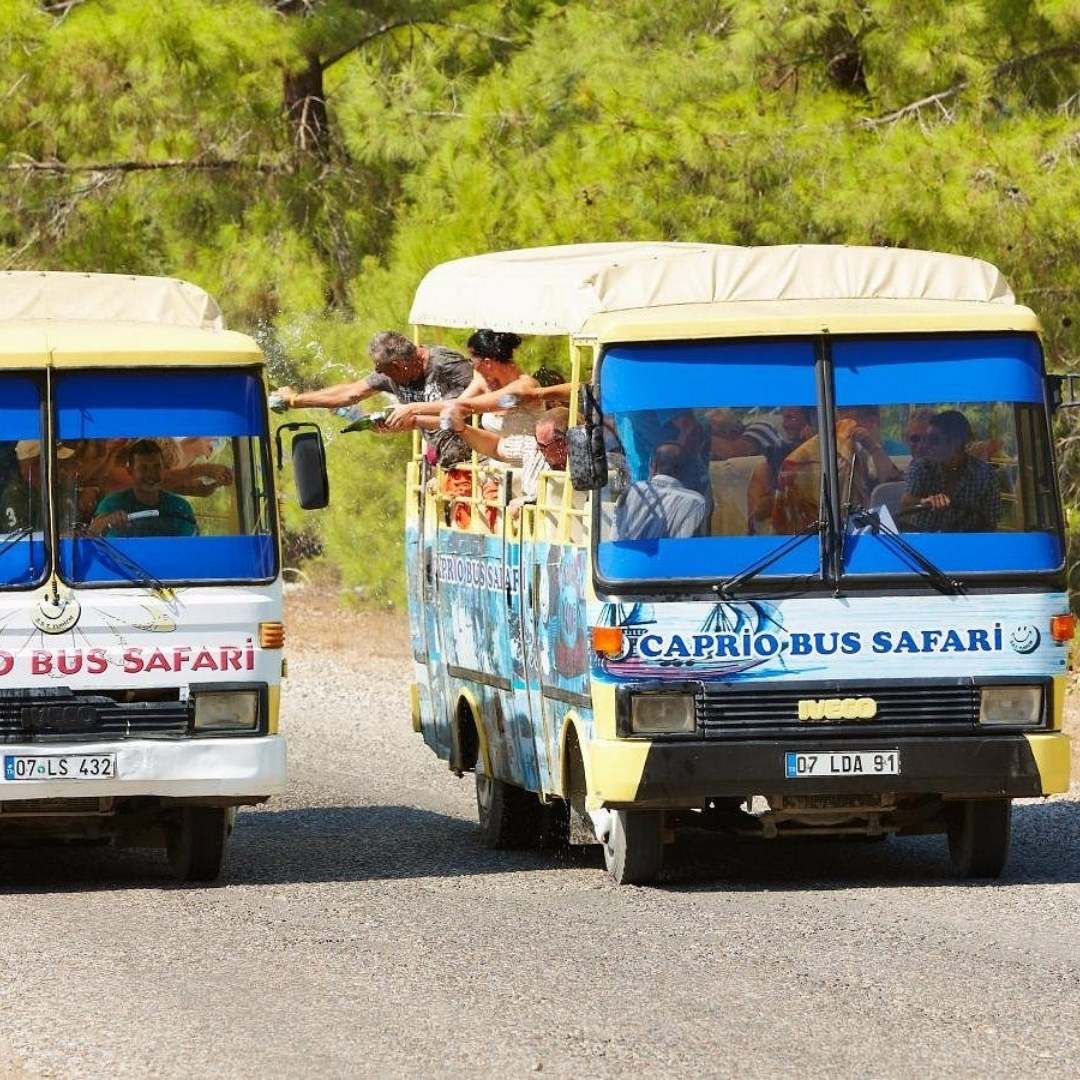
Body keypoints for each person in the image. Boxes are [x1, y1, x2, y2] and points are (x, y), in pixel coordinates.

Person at [273, 330, 473, 467]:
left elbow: (472, 407)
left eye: (381, 368)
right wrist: (295, 400)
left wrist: (412, 412)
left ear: (398, 365)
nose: (377, 372)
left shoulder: (446, 365)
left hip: (475, 459)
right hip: (444, 460)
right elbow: (350, 393)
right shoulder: (392, 373)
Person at [428, 407, 571, 524]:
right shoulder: (532, 447)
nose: (539, 448)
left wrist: (530, 501)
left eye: (544, 445)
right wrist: (463, 429)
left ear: (565, 443)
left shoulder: (583, 463)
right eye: (537, 441)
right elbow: (496, 446)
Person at [900, 410, 1001, 532]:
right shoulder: (922, 467)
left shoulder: (987, 476)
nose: (925, 445)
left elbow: (990, 524)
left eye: (934, 440)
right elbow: (906, 503)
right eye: (926, 439)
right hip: (924, 542)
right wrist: (924, 502)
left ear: (956, 443)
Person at [89, 440, 198, 538]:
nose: (151, 474)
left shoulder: (180, 507)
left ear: (164, 468)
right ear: (130, 471)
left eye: (157, 467)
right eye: (143, 468)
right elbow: (91, 534)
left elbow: (194, 543)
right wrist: (108, 520)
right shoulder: (111, 503)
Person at [613, 443, 708, 541]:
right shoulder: (695, 502)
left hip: (623, 555)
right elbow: (684, 548)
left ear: (653, 467)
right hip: (670, 556)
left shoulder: (630, 491)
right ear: (686, 471)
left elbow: (615, 538)